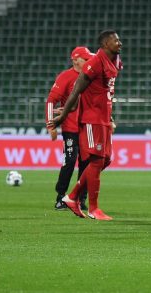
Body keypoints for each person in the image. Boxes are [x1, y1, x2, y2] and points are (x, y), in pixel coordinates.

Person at [48, 31, 123, 221]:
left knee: (105, 160)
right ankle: (92, 208)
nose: (120, 43)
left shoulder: (114, 61)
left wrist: (111, 117)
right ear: (106, 43)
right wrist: (63, 115)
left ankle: (72, 197)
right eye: (116, 40)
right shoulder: (94, 63)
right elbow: (76, 91)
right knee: (92, 161)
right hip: (92, 119)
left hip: (104, 118)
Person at [46, 46, 92, 210]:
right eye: (85, 59)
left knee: (88, 165)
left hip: (89, 128)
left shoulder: (92, 77)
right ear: (75, 60)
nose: (88, 61)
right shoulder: (65, 77)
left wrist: (110, 119)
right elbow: (51, 100)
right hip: (71, 127)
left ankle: (80, 199)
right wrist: (50, 124)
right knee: (70, 161)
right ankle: (61, 197)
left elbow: (101, 102)